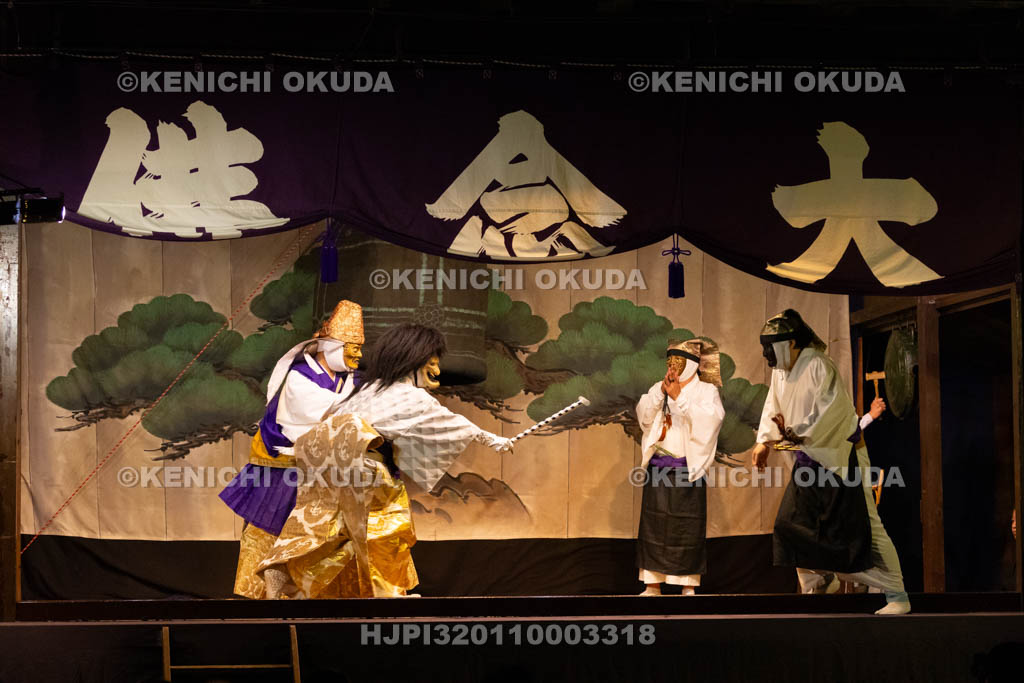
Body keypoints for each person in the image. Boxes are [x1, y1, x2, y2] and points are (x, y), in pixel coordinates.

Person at [255, 322, 515, 598]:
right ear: (414, 361)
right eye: (432, 363)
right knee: (386, 528)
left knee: (334, 535)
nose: (437, 371)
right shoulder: (411, 396)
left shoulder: (365, 391)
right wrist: (493, 439)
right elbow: (451, 422)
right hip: (367, 471)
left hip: (328, 470)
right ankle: (388, 596)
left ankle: (284, 571)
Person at [752, 309, 911, 615]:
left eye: (771, 347)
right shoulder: (781, 372)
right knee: (789, 525)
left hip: (841, 456)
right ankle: (820, 583)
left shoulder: (818, 365)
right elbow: (773, 405)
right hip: (809, 459)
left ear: (792, 343)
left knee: (867, 524)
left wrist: (796, 433)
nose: (767, 354)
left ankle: (897, 595)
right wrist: (764, 442)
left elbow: (830, 413)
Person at [219, 299, 365, 599]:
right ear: (332, 347)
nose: (358, 355)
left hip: (327, 467)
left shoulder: (349, 379)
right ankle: (263, 591)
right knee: (272, 526)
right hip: (284, 464)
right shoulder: (300, 376)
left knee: (339, 530)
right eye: (353, 348)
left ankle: (324, 593)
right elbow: (324, 412)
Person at [634, 338, 725, 596]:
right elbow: (644, 418)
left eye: (679, 361)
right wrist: (661, 394)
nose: (673, 366)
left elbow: (711, 421)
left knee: (687, 526)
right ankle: (652, 583)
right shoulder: (659, 387)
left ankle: (687, 584)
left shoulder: (707, 391)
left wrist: (680, 398)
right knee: (654, 525)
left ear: (693, 364)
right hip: (659, 466)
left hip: (688, 468)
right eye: (670, 360)